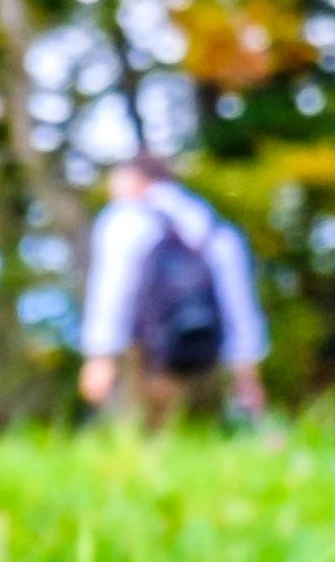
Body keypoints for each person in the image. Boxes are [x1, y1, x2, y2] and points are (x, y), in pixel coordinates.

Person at [77, 155, 270, 428]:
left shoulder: (125, 221)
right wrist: (247, 374)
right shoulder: (214, 227)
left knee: (148, 435)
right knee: (208, 436)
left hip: (150, 358)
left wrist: (100, 356)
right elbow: (239, 304)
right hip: (209, 353)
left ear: (135, 179)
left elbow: (111, 291)